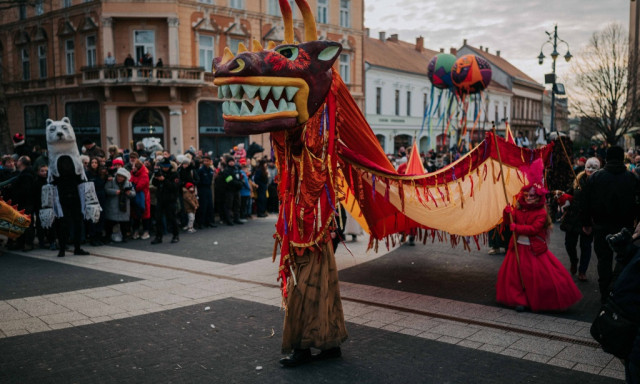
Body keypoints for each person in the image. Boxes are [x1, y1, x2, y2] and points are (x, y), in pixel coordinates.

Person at [496, 160, 582, 312]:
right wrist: (507, 213)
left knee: (534, 278)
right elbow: (509, 221)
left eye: (533, 196)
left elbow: (534, 229)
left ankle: (536, 300)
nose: (529, 198)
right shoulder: (519, 209)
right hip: (517, 248)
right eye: (527, 195)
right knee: (515, 278)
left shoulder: (541, 212)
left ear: (538, 197)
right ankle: (519, 299)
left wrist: (517, 227)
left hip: (533, 250)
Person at [582, 146, 640, 303]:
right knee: (623, 259)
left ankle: (605, 292)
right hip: (625, 225)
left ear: (606, 158)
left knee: (604, 259)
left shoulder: (596, 177)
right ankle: (617, 289)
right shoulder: (631, 177)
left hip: (601, 225)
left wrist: (586, 222)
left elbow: (586, 202)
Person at [561, 157, 600, 281]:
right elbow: (570, 193)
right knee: (569, 244)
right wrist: (566, 201)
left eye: (593, 169)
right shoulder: (578, 179)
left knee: (586, 246)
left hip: (589, 219)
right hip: (573, 218)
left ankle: (582, 271)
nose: (590, 171)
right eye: (588, 168)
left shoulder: (600, 181)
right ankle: (574, 260)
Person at [151, 158, 180, 244]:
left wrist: (164, 180)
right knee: (158, 218)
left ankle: (175, 235)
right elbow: (154, 183)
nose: (162, 168)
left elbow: (174, 187)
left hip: (170, 199)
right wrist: (156, 177)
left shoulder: (174, 174)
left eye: (163, 166)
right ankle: (158, 236)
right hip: (160, 199)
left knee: (172, 218)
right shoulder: (160, 172)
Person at [104, 167, 136, 243]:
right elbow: (106, 189)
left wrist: (129, 193)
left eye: (122, 177)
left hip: (123, 206)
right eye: (118, 176)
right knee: (110, 222)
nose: (119, 178)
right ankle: (108, 236)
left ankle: (124, 236)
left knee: (123, 223)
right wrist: (115, 192)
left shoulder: (128, 183)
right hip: (112, 205)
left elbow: (134, 193)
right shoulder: (111, 181)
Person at [130, 159, 151, 240]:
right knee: (136, 214)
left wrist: (132, 185)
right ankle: (136, 231)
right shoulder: (133, 174)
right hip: (135, 196)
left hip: (144, 197)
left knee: (145, 214)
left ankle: (146, 231)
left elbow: (139, 186)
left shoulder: (144, 174)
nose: (132, 167)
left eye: (133, 166)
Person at [196, 154, 216, 228]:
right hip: (202, 189)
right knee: (203, 206)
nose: (206, 162)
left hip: (208, 188)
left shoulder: (210, 170)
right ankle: (201, 222)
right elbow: (198, 181)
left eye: (207, 161)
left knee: (210, 205)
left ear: (210, 162)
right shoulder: (201, 170)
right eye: (204, 161)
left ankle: (210, 221)